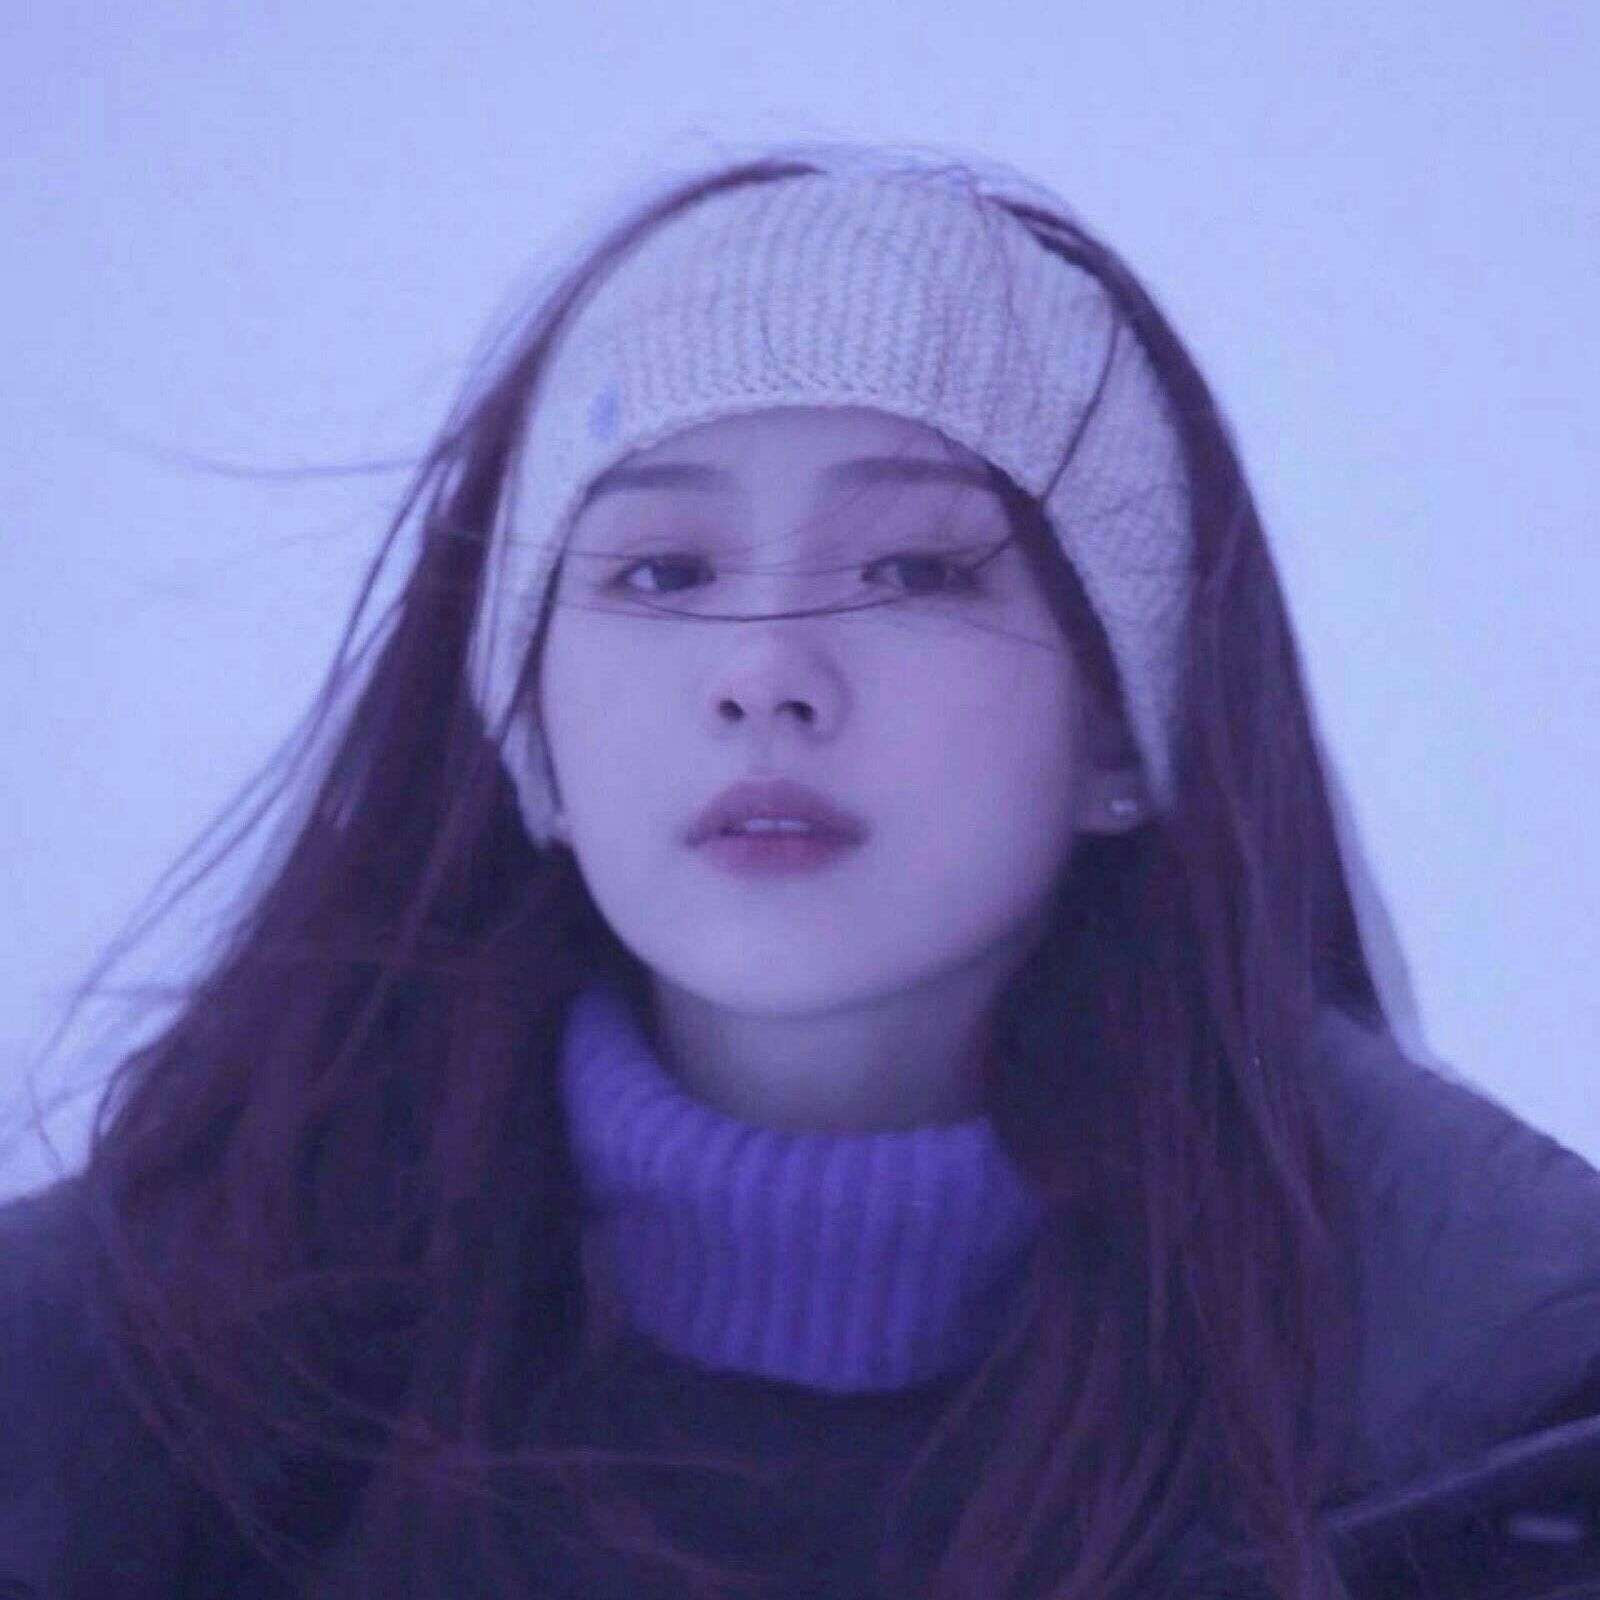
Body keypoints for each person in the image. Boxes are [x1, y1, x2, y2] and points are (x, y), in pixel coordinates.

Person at [3, 139, 1598, 1600]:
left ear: (1124, 724)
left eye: (915, 567)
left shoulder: (1492, 1424)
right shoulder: (112, 1406)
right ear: (530, 729)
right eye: (661, 571)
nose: (764, 672)